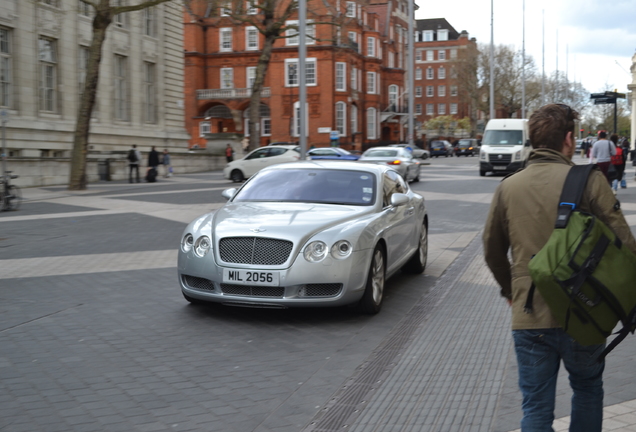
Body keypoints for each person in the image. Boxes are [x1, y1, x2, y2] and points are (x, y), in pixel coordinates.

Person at [483, 104, 636, 432]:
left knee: (535, 405)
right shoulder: (589, 181)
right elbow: (625, 245)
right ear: (569, 138)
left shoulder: (507, 187)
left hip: (529, 314)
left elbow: (492, 250)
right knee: (587, 389)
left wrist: (511, 290)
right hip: (586, 310)